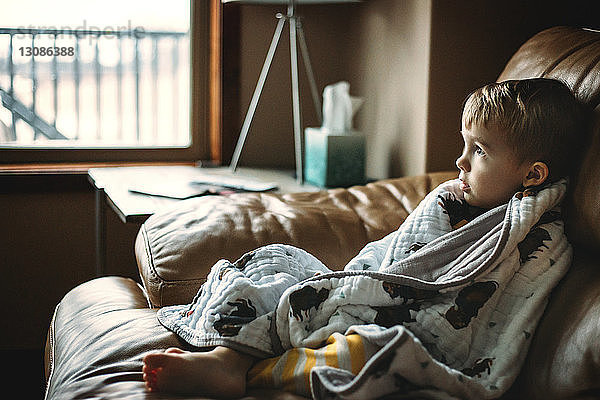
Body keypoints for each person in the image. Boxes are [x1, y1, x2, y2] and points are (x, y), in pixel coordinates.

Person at [142, 78, 588, 398]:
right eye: (465, 145)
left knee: (371, 350)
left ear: (532, 174)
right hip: (366, 286)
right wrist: (357, 288)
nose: (460, 161)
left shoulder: (539, 241)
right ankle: (233, 361)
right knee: (273, 264)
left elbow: (495, 317)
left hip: (403, 330)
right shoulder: (451, 201)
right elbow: (395, 258)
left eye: (480, 151)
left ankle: (238, 366)